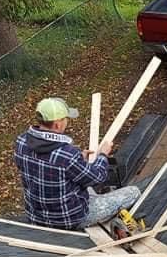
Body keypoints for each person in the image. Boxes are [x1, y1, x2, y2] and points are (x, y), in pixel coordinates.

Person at [14, 97, 140, 230]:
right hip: (68, 219)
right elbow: (98, 177)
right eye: (66, 118)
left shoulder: (21, 142)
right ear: (58, 124)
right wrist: (103, 155)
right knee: (133, 192)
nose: (67, 121)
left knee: (88, 190)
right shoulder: (67, 154)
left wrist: (79, 161)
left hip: (36, 216)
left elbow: (44, 168)